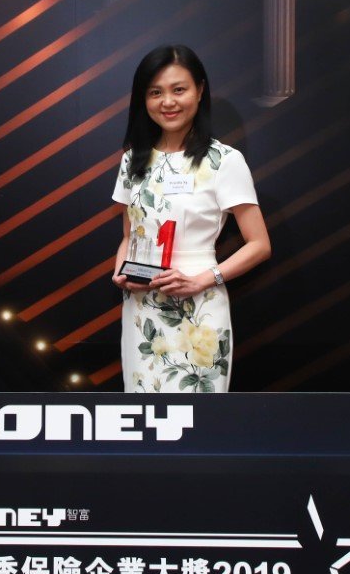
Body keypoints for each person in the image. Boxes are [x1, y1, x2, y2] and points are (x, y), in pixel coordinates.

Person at [111, 45, 271, 392]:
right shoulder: (132, 161)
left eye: (178, 89)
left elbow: (259, 244)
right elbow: (129, 235)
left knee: (198, 415)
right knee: (144, 410)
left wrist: (202, 280)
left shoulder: (224, 160)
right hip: (141, 309)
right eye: (156, 92)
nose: (167, 102)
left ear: (199, 90)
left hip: (199, 308)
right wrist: (121, 271)